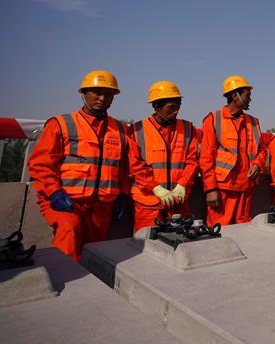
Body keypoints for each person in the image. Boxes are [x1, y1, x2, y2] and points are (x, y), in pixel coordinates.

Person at [28, 70, 148, 261]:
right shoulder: (61, 124)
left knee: (94, 252)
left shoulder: (120, 129)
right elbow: (40, 165)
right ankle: (66, 283)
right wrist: (54, 192)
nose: (102, 98)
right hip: (65, 201)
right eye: (97, 93)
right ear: (84, 93)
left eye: (108, 94)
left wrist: (123, 194)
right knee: (69, 235)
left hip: (102, 206)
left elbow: (126, 167)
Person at [128, 81, 200, 232]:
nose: (176, 111)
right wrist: (156, 189)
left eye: (178, 105)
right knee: (148, 245)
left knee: (181, 242)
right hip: (148, 204)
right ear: (156, 106)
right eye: (171, 107)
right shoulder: (137, 130)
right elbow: (135, 166)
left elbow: (192, 161)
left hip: (177, 201)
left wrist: (182, 185)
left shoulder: (188, 129)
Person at [199, 76, 268, 225]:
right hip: (223, 189)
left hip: (246, 188)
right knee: (219, 231)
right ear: (234, 95)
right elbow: (206, 157)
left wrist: (257, 164)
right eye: (247, 95)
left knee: (243, 230)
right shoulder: (214, 119)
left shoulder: (254, 122)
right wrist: (210, 189)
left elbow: (262, 150)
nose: (250, 99)